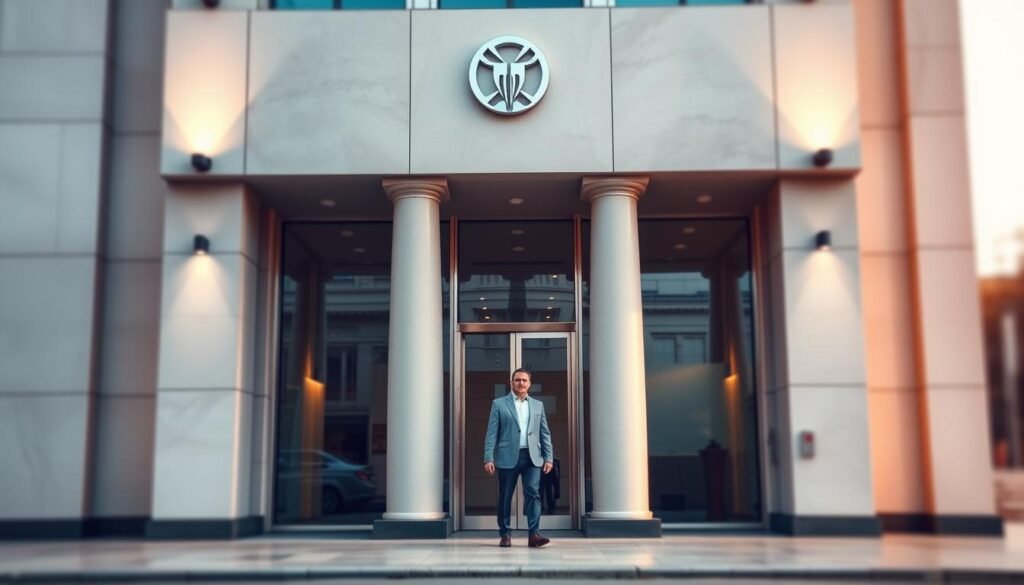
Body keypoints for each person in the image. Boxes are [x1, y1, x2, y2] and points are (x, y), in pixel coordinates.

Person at [483, 368, 554, 548]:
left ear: (529, 383)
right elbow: (492, 433)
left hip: (532, 457)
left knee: (533, 494)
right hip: (507, 456)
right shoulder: (499, 404)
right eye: (517, 380)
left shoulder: (538, 405)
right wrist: (488, 457)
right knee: (505, 496)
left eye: (524, 380)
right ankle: (505, 534)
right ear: (511, 382)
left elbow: (544, 432)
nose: (520, 383)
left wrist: (549, 457)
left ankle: (534, 535)